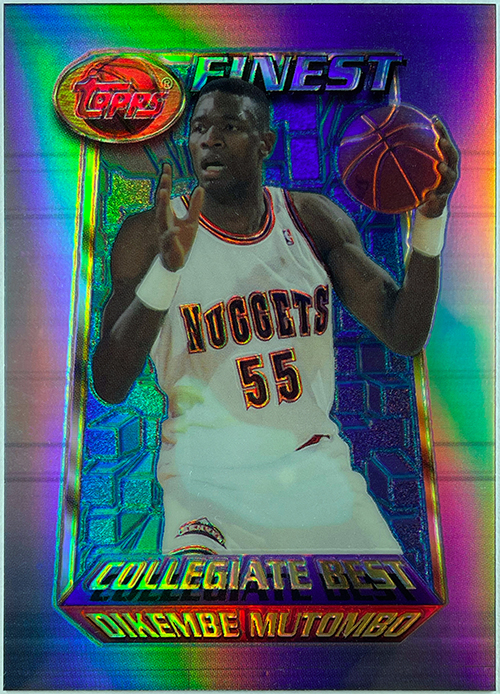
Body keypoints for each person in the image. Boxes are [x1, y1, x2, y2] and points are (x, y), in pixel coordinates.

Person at [92, 78, 459, 556]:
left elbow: (403, 332)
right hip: (207, 488)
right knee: (203, 605)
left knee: (390, 599)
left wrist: (430, 220)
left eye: (229, 126)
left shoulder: (312, 219)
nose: (210, 139)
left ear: (265, 142)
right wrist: (166, 271)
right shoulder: (149, 234)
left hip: (316, 473)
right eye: (199, 128)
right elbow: (109, 383)